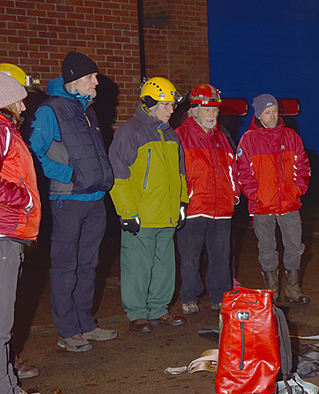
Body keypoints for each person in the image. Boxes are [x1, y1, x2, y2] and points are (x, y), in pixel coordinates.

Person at [30, 52, 117, 353]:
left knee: (88, 265)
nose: (97, 81)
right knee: (66, 266)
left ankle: (86, 324)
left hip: (94, 198)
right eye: (92, 77)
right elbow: (35, 152)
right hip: (68, 199)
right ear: (75, 80)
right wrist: (68, 175)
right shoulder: (50, 111)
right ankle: (67, 331)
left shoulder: (87, 109)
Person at [108, 77, 188, 333]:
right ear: (149, 103)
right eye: (165, 105)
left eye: (172, 105)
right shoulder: (129, 132)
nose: (171, 110)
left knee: (165, 264)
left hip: (166, 213)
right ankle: (137, 313)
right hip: (141, 215)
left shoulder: (170, 135)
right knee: (137, 265)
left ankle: (159, 309)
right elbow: (118, 176)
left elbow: (180, 173)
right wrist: (127, 212)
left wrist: (182, 202)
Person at [235, 94, 311, 305]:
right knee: (267, 248)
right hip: (262, 207)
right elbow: (242, 171)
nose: (272, 116)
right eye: (267, 113)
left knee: (295, 246)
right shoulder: (248, 139)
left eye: (275, 111)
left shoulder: (291, 136)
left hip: (289, 203)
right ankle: (272, 289)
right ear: (258, 115)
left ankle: (293, 289)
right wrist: (255, 195)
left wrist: (298, 189)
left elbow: (303, 165)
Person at [0, 71, 44, 394]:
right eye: (19, 97)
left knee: (5, 319)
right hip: (3, 232)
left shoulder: (6, 130)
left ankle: (9, 389)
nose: (24, 104)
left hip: (10, 233)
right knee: (1, 321)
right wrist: (25, 198)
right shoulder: (1, 130)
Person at [175, 84, 238, 314]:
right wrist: (182, 199)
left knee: (222, 257)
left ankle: (220, 296)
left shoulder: (222, 137)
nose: (212, 114)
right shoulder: (180, 136)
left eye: (214, 110)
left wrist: (234, 194)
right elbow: (175, 172)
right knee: (190, 257)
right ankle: (189, 297)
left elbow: (233, 168)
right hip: (194, 207)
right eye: (207, 109)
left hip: (222, 207)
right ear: (193, 110)